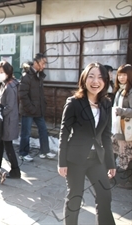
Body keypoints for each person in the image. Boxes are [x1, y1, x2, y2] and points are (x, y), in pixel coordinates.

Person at [58, 62, 116, 225]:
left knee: (105, 196)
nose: (95, 81)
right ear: (84, 79)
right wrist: (61, 162)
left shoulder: (106, 103)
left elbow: (106, 135)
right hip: (75, 159)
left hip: (96, 159)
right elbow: (64, 133)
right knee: (75, 198)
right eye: (91, 76)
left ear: (105, 81)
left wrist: (110, 163)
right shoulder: (74, 103)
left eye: (99, 77)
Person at [18, 53, 56, 161]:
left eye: (45, 64)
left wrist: (42, 105)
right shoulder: (26, 76)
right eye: (42, 63)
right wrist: (31, 108)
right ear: (36, 62)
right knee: (26, 133)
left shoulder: (38, 75)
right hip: (28, 110)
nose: (44, 66)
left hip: (38, 109)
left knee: (43, 130)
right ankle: (23, 153)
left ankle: (45, 151)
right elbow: (22, 95)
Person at [0, 61, 21, 179]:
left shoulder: (10, 86)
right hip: (7, 120)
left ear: (8, 72)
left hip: (8, 120)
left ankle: (15, 170)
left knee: (7, 145)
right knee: (0, 144)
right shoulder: (8, 83)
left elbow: (9, 106)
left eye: (2, 72)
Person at [111, 64, 132, 189]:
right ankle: (112, 174)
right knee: (115, 150)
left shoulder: (130, 91)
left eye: (124, 75)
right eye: (119, 75)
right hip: (118, 127)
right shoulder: (120, 90)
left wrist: (121, 111)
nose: (121, 78)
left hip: (127, 129)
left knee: (128, 154)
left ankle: (129, 180)